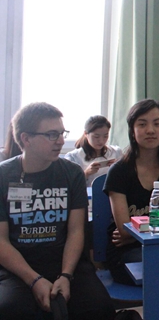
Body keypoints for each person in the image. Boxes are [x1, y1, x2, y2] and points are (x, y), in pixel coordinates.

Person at [0, 102, 114, 319]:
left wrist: (66, 275)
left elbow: (76, 231)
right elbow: (1, 241)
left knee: (99, 308)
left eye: (62, 133)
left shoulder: (72, 173)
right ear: (26, 139)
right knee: (10, 310)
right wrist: (34, 280)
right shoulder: (4, 175)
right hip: (18, 266)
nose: (61, 141)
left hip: (66, 262)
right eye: (52, 135)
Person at [103, 99, 159, 285]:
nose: (150, 130)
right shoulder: (119, 171)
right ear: (132, 131)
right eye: (142, 124)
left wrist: (138, 230)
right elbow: (124, 230)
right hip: (126, 252)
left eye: (157, 124)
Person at [64, 115, 123, 187]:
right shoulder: (73, 157)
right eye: (96, 136)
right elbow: (68, 185)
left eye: (105, 136)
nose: (101, 141)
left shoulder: (116, 152)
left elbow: (127, 179)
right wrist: (86, 173)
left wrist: (119, 169)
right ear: (86, 134)